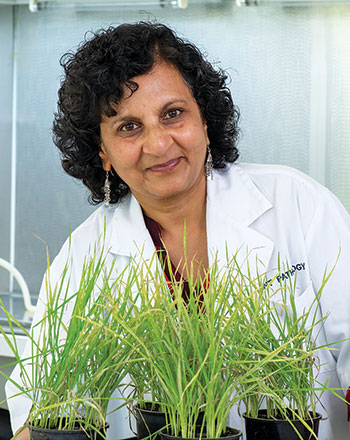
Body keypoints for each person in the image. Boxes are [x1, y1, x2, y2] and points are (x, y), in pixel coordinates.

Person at [7, 22, 350, 440]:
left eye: (173, 114)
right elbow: (42, 415)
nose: (158, 144)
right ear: (103, 153)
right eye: (128, 127)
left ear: (204, 119)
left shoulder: (297, 204)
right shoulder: (84, 256)